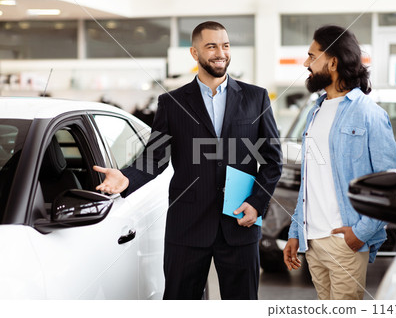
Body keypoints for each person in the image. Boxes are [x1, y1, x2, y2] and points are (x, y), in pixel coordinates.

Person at [93, 21, 282, 300]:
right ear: (195, 53)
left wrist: (257, 203)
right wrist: (127, 178)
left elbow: (272, 160)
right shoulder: (172, 102)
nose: (221, 53)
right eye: (212, 46)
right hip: (188, 226)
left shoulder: (256, 97)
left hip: (240, 221)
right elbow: (155, 157)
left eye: (226, 45)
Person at [283, 25, 396, 300]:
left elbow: (395, 181)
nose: (306, 64)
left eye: (312, 56)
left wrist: (361, 233)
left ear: (333, 62)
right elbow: (311, 181)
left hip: (345, 242)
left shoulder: (368, 113)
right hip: (312, 242)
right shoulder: (314, 113)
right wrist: (295, 232)